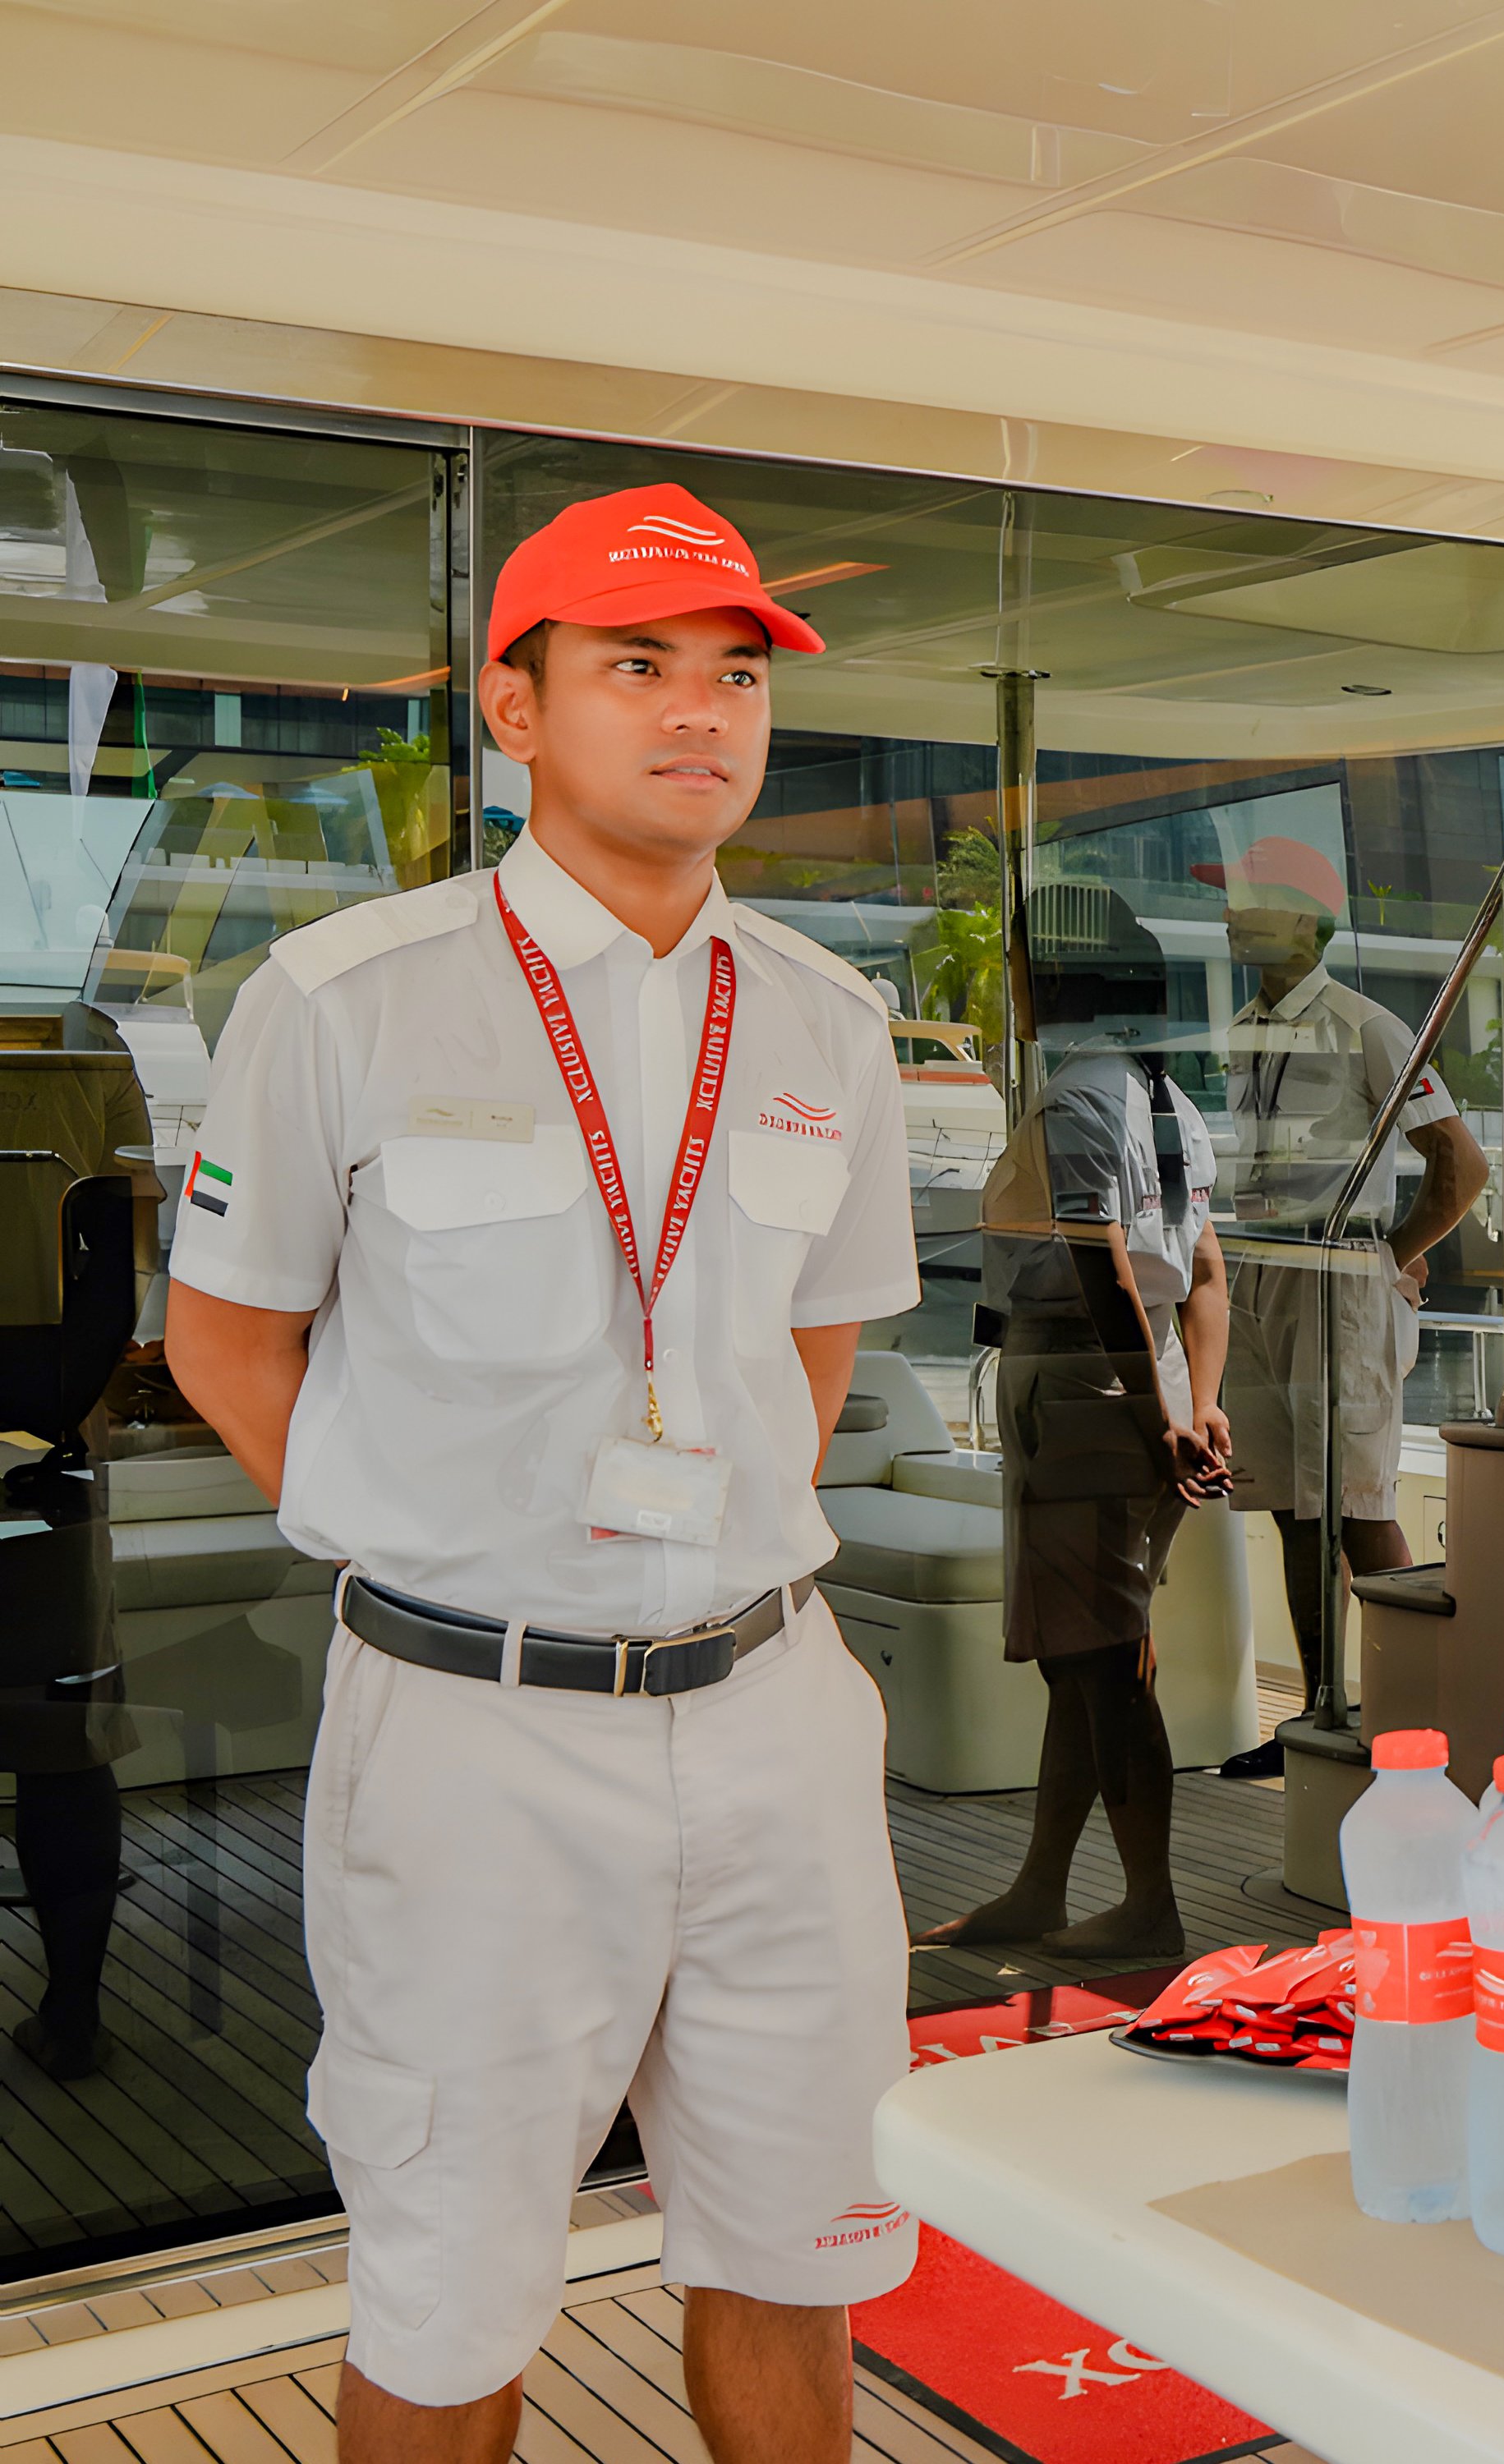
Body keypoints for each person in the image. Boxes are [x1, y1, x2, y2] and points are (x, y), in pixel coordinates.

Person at [163, 483, 918, 2462]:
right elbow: (225, 1340)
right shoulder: (344, 998)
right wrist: (442, 1537)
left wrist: (687, 1539)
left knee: (796, 2243)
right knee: (453, 2272)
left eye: (735, 674)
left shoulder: (830, 1022)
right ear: (515, 711)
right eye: (637, 665)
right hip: (471, 1728)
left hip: (769, 1711)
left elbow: (808, 1352)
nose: (701, 712)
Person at [925, 888, 1230, 1958]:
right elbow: (1205, 1276)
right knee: (1087, 1648)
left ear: (1057, 982)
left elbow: (1101, 1281)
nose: (1008, 984)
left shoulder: (1076, 1106)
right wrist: (1201, 1404)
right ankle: (1044, 1884)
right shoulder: (1169, 1105)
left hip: (1089, 1387)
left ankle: (1150, 1905)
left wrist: (1155, 1423)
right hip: (1149, 1381)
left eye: (1016, 965)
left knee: (1103, 1660)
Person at [1193, 835, 1485, 1762]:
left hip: (1339, 1276)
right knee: (1288, 1502)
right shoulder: (1247, 1025)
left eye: (1249, 901)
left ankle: (1424, 1716)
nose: (1232, 917)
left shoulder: (1368, 1026)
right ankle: (1318, 1717)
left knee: (1357, 1502)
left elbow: (1461, 1165)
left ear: (1306, 921)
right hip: (1266, 1272)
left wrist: (1389, 1257)